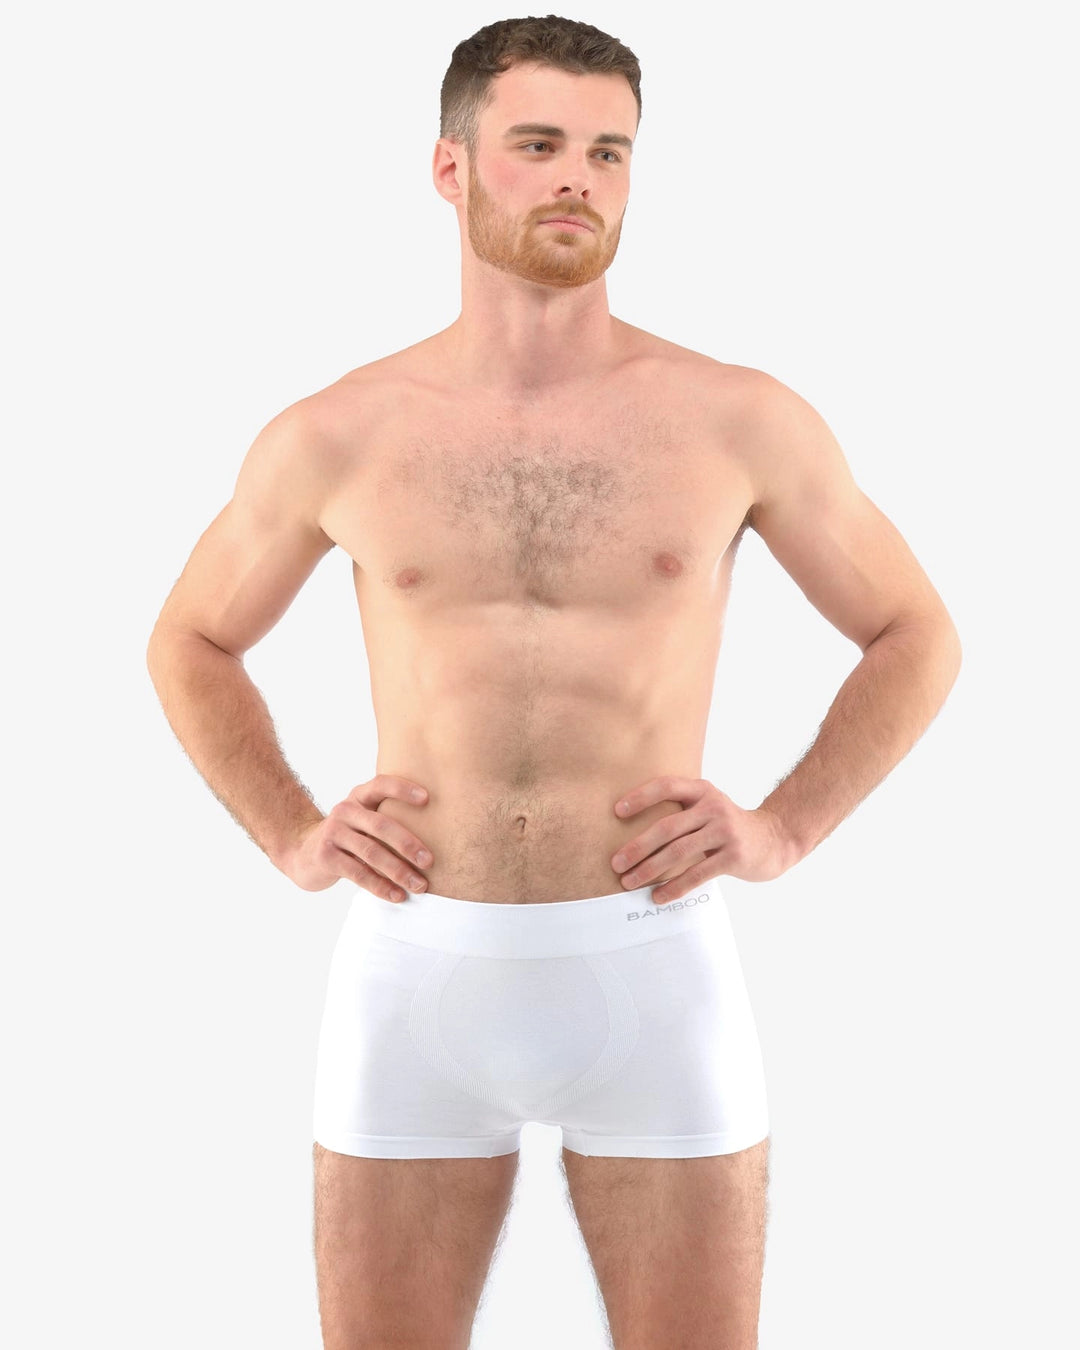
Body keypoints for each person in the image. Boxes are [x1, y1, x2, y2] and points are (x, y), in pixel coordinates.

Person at [146, 15, 962, 1350]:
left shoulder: (736, 418)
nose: (580, 178)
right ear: (451, 167)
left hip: (655, 967)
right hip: (415, 972)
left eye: (609, 152)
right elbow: (189, 638)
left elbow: (915, 630)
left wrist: (785, 828)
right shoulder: (339, 431)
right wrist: (290, 832)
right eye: (538, 145)